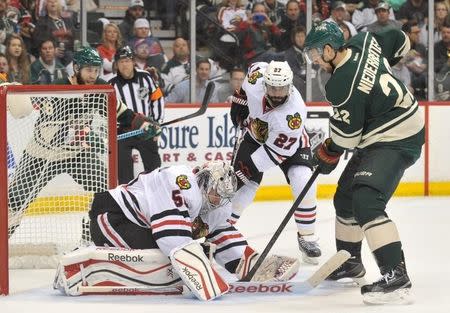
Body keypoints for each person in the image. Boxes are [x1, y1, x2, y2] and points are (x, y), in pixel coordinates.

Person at [53, 161, 300, 300]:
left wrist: (250, 263)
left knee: (179, 259)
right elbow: (172, 238)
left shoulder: (216, 202)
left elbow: (222, 234)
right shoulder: (180, 181)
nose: (218, 200)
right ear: (204, 182)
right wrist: (199, 270)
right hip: (113, 217)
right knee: (165, 260)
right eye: (215, 192)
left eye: (223, 196)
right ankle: (84, 264)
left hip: (140, 225)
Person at [303, 21, 424, 304]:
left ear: (331, 49)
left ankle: (396, 277)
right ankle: (350, 263)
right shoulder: (365, 41)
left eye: (317, 54)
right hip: (383, 131)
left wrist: (327, 151)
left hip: (397, 136)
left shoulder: (340, 86)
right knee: (345, 198)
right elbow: (401, 39)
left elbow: (346, 139)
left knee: (366, 199)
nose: (315, 60)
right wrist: (380, 70)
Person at [7, 46, 160, 238]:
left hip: (76, 154)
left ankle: (92, 233)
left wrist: (144, 125)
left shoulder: (100, 89)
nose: (93, 75)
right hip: (42, 154)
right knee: (15, 201)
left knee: (105, 189)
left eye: (96, 70)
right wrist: (90, 137)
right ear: (77, 68)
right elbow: (51, 133)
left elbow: (123, 114)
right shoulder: (59, 88)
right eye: (89, 70)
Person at [229, 61, 321, 264]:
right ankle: (220, 231)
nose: (278, 93)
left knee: (302, 179)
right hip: (254, 136)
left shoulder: (292, 115)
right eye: (273, 88)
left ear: (289, 86)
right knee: (239, 190)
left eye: (282, 88)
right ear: (264, 84)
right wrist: (241, 99)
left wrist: (249, 168)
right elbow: (254, 68)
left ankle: (307, 237)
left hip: (290, 145)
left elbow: (275, 154)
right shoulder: (256, 78)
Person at [109, 46, 164, 184]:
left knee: (154, 168)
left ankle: (155, 190)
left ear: (133, 62)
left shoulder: (145, 78)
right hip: (122, 131)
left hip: (145, 128)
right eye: (121, 62)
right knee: (123, 168)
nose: (124, 65)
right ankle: (127, 194)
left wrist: (156, 122)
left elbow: (157, 99)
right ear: (116, 65)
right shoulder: (111, 84)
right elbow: (109, 111)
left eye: (127, 61)